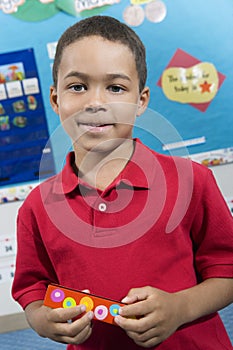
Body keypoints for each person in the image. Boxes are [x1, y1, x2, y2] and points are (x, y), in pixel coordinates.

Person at [12, 15, 233, 350]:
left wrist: (180, 308)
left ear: (141, 101)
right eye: (78, 87)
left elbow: (227, 272)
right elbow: (33, 291)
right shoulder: (36, 208)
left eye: (115, 88)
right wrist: (42, 321)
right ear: (56, 100)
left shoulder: (193, 181)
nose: (95, 102)